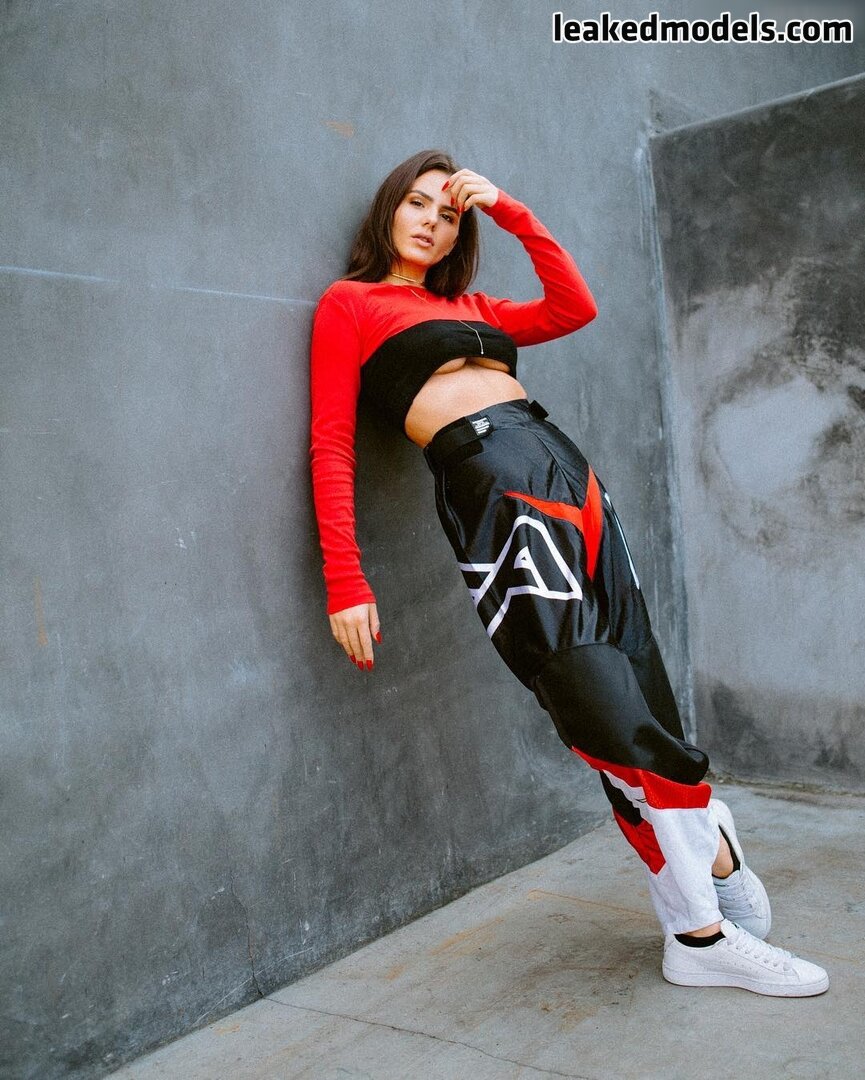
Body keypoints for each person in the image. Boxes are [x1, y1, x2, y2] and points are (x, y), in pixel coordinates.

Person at [309, 149, 828, 997]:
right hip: (492, 490)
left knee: (636, 670)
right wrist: (345, 580)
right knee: (588, 689)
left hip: (568, 476)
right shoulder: (351, 303)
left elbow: (572, 306)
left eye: (448, 214)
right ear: (387, 210)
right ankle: (701, 909)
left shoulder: (473, 307)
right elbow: (331, 441)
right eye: (417, 204)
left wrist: (507, 207)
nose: (431, 222)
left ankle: (698, 892)